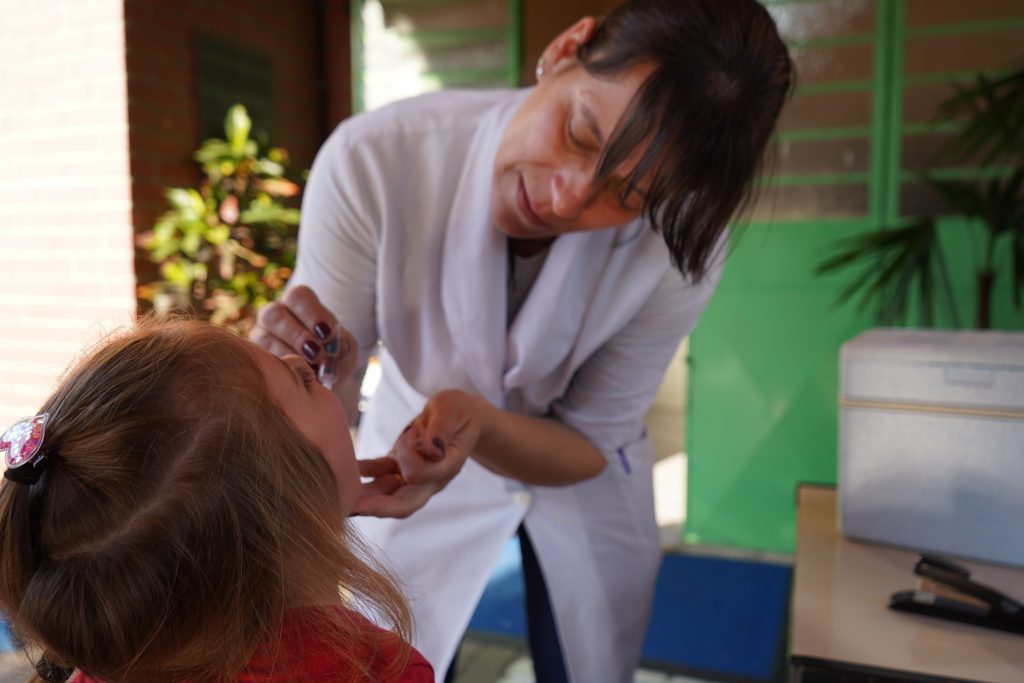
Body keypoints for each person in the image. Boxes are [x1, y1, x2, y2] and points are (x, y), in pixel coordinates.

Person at [251, 0, 793, 680]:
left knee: (582, 659)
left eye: (625, 194)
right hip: (407, 456)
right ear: (567, 47)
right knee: (404, 654)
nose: (568, 198)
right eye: (579, 133)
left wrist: (478, 421)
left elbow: (591, 438)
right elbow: (323, 379)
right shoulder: (374, 162)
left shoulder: (679, 245)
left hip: (583, 483)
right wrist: (307, 362)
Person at [0, 317, 434, 682]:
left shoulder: (115, 661)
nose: (298, 358)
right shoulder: (375, 670)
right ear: (287, 507)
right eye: (302, 381)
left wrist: (315, 514)